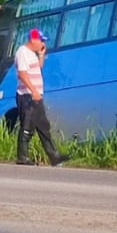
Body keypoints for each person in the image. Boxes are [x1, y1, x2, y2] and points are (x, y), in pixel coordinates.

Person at [15, 28, 69, 166]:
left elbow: (38, 68)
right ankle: (22, 156)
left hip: (35, 96)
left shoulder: (32, 54)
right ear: (33, 39)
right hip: (27, 96)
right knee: (27, 126)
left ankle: (54, 156)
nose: (42, 43)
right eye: (41, 40)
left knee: (43, 125)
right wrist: (33, 90)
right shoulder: (22, 52)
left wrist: (41, 55)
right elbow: (22, 74)